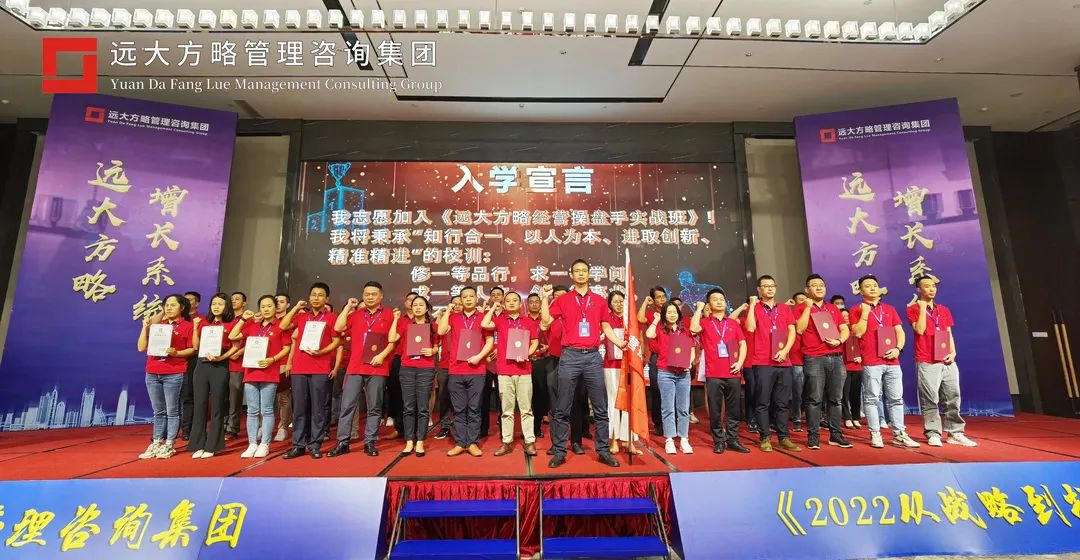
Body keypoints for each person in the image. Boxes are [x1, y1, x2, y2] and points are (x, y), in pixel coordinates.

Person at [541, 259, 625, 469]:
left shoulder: (599, 300)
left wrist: (619, 343)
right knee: (563, 407)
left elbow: (606, 326)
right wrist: (544, 298)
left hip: (593, 357)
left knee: (600, 407)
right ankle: (559, 451)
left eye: (584, 271)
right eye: (577, 271)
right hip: (570, 356)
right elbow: (545, 322)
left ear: (589, 274)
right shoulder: (563, 300)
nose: (580, 274)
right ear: (572, 275)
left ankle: (603, 451)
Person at [850, 275, 920, 449]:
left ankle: (899, 434)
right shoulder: (856, 310)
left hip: (892, 361)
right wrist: (865, 313)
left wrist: (898, 349)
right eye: (867, 286)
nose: (872, 288)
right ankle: (875, 433)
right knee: (872, 399)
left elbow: (900, 332)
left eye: (875, 285)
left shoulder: (889, 309)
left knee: (896, 399)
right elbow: (858, 332)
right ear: (860, 291)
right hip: (871, 361)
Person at [331, 281, 398, 457]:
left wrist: (381, 356)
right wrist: (348, 307)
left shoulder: (389, 314)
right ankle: (342, 442)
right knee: (347, 406)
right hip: (355, 367)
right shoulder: (356, 314)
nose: (370, 297)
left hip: (377, 367)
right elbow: (338, 328)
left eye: (374, 294)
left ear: (381, 296)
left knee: (374, 407)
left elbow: (393, 341)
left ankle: (370, 442)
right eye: (367, 294)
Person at [907, 277, 976, 447]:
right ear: (919, 290)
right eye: (927, 286)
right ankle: (933, 433)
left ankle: (955, 433)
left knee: (953, 396)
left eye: (933, 286)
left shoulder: (943, 310)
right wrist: (923, 309)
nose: (931, 289)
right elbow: (920, 330)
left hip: (946, 359)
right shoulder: (913, 309)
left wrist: (953, 352)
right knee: (930, 398)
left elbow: (948, 332)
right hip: (927, 360)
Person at [278, 283, 340, 458]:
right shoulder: (302, 316)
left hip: (320, 367)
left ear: (327, 298)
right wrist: (295, 308)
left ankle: (315, 445)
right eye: (313, 294)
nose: (316, 298)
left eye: (320, 295)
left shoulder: (332, 317)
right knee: (299, 408)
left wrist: (322, 352)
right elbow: (283, 326)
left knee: (318, 408)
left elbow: (336, 341)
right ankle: (298, 445)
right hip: (299, 367)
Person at [794, 276, 853, 449]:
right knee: (814, 399)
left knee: (836, 399)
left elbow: (844, 329)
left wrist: (839, 340)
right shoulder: (800, 308)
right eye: (814, 285)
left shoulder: (833, 308)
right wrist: (807, 308)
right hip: (814, 358)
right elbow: (799, 329)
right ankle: (813, 436)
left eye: (821, 285)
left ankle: (836, 435)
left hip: (836, 357)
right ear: (807, 290)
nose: (819, 288)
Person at [230, 296, 292, 458]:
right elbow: (232, 336)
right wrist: (244, 319)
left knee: (267, 409)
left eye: (269, 306)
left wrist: (272, 359)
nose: (266, 309)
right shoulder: (253, 326)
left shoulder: (280, 327)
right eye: (263, 306)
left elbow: (287, 348)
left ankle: (265, 444)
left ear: (275, 308)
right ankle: (252, 444)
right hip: (251, 372)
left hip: (269, 372)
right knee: (252, 410)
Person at [745, 275, 801, 453]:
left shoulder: (784, 308)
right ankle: (765, 437)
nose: (769, 289)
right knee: (763, 401)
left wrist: (785, 351)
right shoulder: (755, 308)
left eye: (772, 286)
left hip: (784, 361)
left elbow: (792, 332)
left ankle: (784, 437)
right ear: (759, 289)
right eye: (765, 286)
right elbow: (750, 328)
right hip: (762, 361)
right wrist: (752, 305)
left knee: (782, 402)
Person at [437, 286, 494, 457]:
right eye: (465, 297)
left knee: (474, 408)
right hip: (456, 369)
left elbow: (489, 341)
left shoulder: (483, 318)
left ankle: (473, 443)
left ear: (476, 299)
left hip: (477, 370)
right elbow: (440, 331)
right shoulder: (453, 318)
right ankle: (461, 442)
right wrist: (448, 311)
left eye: (471, 296)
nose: (468, 299)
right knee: (459, 408)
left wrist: (479, 357)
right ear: (460, 300)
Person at [690, 290, 749, 454]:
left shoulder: (733, 323)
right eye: (715, 299)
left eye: (722, 299)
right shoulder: (705, 322)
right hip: (714, 373)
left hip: (733, 372)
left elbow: (743, 344)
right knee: (715, 411)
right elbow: (693, 328)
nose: (719, 301)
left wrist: (740, 362)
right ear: (709, 304)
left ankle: (733, 440)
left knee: (733, 410)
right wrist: (699, 309)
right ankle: (718, 441)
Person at [137, 294, 194, 460]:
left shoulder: (188, 326)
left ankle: (169, 443)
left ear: (182, 307)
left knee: (172, 410)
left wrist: (176, 353)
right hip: (153, 371)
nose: (169, 308)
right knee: (158, 411)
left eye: (173, 305)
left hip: (174, 372)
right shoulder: (158, 326)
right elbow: (141, 347)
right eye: (166, 305)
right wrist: (145, 327)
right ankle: (157, 442)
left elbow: (192, 349)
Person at [482, 291, 540, 456]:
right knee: (506, 410)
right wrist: (494, 306)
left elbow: (535, 342)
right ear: (504, 304)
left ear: (520, 304)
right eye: (508, 301)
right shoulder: (500, 321)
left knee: (526, 408)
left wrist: (525, 354)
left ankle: (529, 441)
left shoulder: (528, 321)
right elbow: (485, 323)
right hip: (504, 370)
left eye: (515, 300)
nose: (512, 303)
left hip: (524, 370)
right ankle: (507, 442)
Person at [188, 293, 238, 458]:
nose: (216, 307)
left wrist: (222, 357)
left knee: (217, 405)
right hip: (201, 364)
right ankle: (198, 444)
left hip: (220, 365)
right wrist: (195, 328)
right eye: (214, 304)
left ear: (227, 306)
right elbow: (195, 346)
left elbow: (236, 346)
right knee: (200, 404)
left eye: (220, 304)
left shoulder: (231, 324)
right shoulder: (203, 323)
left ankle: (213, 445)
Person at [646, 301, 696, 454]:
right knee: (667, 408)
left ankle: (684, 439)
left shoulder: (685, 331)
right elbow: (649, 334)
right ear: (664, 315)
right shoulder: (660, 330)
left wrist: (689, 363)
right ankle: (669, 439)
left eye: (674, 312)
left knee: (683, 408)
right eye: (669, 312)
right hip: (666, 372)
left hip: (683, 374)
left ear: (679, 314)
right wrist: (655, 320)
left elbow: (692, 349)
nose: (672, 315)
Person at [396, 295, 439, 457]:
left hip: (425, 368)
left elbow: (436, 346)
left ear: (426, 308)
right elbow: (392, 338)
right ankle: (409, 441)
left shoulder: (433, 326)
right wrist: (395, 320)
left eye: (421, 305)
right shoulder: (405, 325)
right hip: (407, 368)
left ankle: (420, 440)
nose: (418, 307)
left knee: (422, 407)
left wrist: (432, 351)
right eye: (415, 305)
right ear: (411, 308)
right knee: (408, 406)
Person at [603, 291, 639, 455]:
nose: (618, 304)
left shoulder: (629, 320)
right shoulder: (606, 319)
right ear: (610, 304)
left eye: (621, 301)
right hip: (611, 365)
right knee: (613, 402)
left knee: (629, 402)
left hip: (629, 365)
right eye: (615, 301)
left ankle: (628, 440)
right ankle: (614, 439)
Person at [637, 286, 668, 435]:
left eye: (663, 296)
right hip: (657, 358)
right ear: (654, 300)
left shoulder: (671, 313)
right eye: (658, 297)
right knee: (657, 391)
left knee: (671, 391)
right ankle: (659, 424)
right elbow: (640, 319)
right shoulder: (651, 315)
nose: (662, 299)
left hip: (672, 357)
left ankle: (672, 423)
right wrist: (645, 302)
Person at [431, 296, 461, 440]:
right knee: (444, 396)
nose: (458, 306)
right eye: (455, 304)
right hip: (444, 365)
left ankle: (458, 425)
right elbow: (437, 332)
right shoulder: (446, 320)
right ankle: (445, 425)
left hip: (461, 365)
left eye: (460, 304)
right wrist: (443, 315)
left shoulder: (465, 321)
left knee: (459, 397)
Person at [480, 286, 505, 437]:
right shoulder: (485, 316)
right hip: (486, 361)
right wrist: (485, 354)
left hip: (503, 361)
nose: (496, 297)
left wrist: (499, 350)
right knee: (484, 397)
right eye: (493, 294)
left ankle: (504, 430)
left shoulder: (509, 315)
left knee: (503, 398)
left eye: (499, 294)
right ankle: (483, 429)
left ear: (503, 297)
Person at [179, 291, 203, 441]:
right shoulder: (176, 319)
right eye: (184, 300)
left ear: (197, 303)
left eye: (190, 300)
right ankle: (168, 430)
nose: (187, 302)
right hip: (173, 361)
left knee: (189, 396)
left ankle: (187, 429)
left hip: (192, 360)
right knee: (173, 397)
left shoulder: (202, 320)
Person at [225, 291, 248, 439]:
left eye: (237, 299)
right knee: (222, 396)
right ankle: (222, 425)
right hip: (222, 362)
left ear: (244, 303)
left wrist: (239, 352)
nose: (233, 301)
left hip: (238, 362)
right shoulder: (225, 318)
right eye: (232, 299)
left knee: (234, 397)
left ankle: (232, 428)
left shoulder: (248, 319)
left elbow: (251, 339)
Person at [527, 293, 549, 439]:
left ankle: (536, 428)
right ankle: (527, 429)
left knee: (540, 395)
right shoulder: (523, 320)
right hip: (526, 361)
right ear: (527, 305)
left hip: (542, 361)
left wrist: (548, 347)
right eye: (531, 302)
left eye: (537, 302)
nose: (534, 304)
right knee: (527, 396)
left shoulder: (546, 320)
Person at [787, 292, 808, 433]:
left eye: (805, 299)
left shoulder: (814, 312)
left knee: (813, 390)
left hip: (812, 355)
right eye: (800, 300)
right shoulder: (792, 313)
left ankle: (816, 417)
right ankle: (797, 418)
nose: (804, 302)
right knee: (797, 391)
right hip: (796, 357)